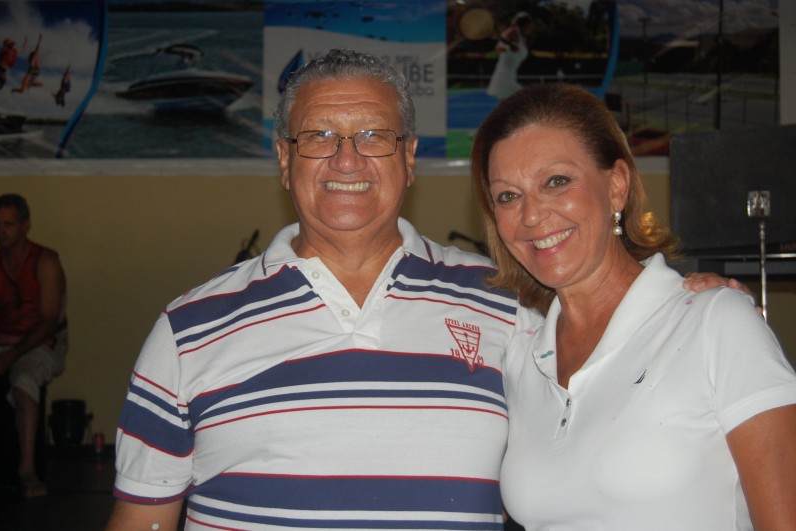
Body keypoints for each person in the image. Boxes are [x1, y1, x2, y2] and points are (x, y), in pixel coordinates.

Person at [106, 50, 741, 531]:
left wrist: (687, 303)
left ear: (409, 158)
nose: (347, 159)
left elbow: (619, 353)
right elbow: (142, 520)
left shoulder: (510, 307)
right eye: (319, 136)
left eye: (374, 136)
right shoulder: (188, 330)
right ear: (283, 160)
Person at [471, 82, 796, 530]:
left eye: (556, 182)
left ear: (616, 186)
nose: (530, 215)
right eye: (508, 195)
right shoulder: (519, 354)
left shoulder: (716, 323)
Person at [0, 193, 68, 498]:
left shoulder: (45, 261)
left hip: (40, 343)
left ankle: (27, 471)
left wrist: (11, 355)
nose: (1, 231)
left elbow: (49, 322)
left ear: (25, 226)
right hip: (3, 341)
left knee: (24, 383)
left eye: (8, 224)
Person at [486, 12, 532, 100]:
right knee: (521, 100)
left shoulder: (523, 37)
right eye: (529, 24)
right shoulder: (513, 32)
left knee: (509, 103)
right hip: (504, 75)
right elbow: (498, 47)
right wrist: (508, 48)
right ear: (525, 24)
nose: (531, 27)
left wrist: (514, 48)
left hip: (511, 75)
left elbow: (517, 51)